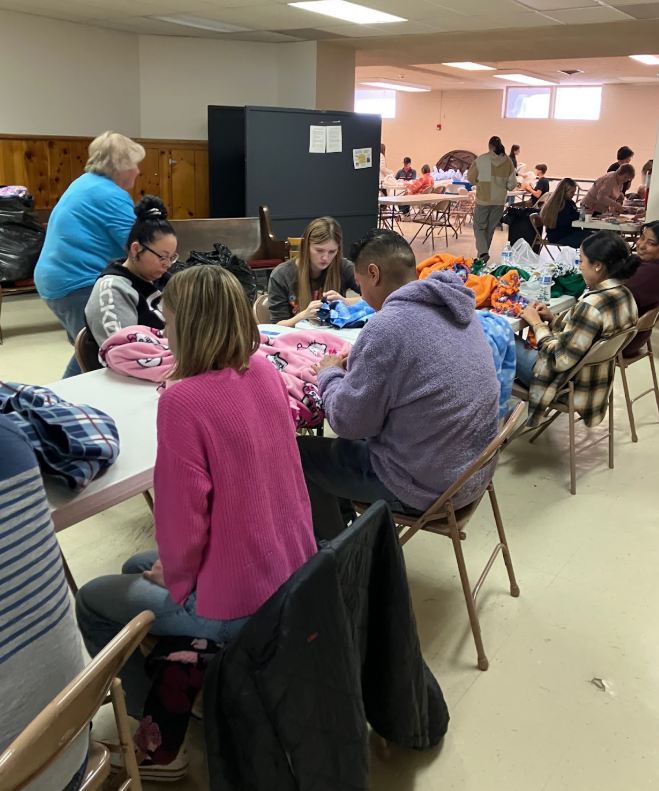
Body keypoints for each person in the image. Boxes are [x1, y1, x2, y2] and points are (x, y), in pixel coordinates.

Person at [76, 265, 317, 778]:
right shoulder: (265, 370)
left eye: (169, 319)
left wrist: (179, 573)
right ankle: (191, 682)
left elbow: (183, 520)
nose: (164, 330)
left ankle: (154, 738)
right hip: (291, 571)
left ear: (188, 325)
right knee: (136, 564)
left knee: (95, 598)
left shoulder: (183, 399)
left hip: (240, 598)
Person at [296, 229, 500, 541]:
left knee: (297, 454)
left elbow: (348, 424)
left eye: (361, 286)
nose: (362, 296)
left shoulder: (387, 327)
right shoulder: (456, 307)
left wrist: (329, 374)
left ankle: (338, 558)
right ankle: (353, 532)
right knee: (342, 449)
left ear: (373, 274)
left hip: (425, 486)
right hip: (470, 474)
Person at [0, 413, 88, 791]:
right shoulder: (11, 442)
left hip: (24, 774)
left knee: (97, 602)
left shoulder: (181, 404)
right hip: (69, 743)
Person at [34, 132, 145, 378]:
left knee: (91, 347)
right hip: (78, 281)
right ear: (120, 166)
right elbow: (139, 247)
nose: (138, 171)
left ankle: (62, 403)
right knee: (98, 350)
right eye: (134, 165)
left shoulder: (85, 182)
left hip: (58, 277)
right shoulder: (111, 195)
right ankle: (62, 406)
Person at [515, 231, 639, 427]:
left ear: (598, 265)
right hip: (594, 385)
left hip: (562, 382)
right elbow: (584, 336)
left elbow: (558, 360)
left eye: (581, 261)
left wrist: (537, 324)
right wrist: (553, 320)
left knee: (499, 337)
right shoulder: (626, 296)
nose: (579, 267)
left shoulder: (591, 305)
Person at [84, 196, 176, 348]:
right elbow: (123, 350)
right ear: (136, 249)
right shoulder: (112, 289)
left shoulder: (166, 281)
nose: (168, 264)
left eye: (172, 257)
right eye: (163, 257)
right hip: (134, 368)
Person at [268, 217, 360, 327]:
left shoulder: (344, 267)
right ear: (306, 246)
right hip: (297, 340)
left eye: (332, 251)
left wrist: (345, 301)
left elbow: (379, 298)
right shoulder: (281, 275)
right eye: (319, 250)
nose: (326, 258)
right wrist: (302, 316)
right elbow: (277, 325)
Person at [468, 136, 518, 262]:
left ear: (489, 146)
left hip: (483, 199)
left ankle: (483, 252)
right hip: (499, 201)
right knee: (490, 228)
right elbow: (512, 185)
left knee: (479, 227)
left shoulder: (481, 160)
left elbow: (471, 179)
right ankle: (483, 255)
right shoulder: (508, 161)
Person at [622, 221, 659, 357]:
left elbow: (613, 301)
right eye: (642, 237)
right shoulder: (647, 266)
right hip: (635, 338)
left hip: (618, 342)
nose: (641, 245)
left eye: (651, 243)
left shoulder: (649, 274)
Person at [540, 178, 592, 248]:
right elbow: (565, 221)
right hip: (560, 236)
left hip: (565, 233)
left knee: (593, 237)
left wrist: (580, 215)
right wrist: (580, 215)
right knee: (592, 240)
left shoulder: (568, 203)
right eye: (571, 192)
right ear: (563, 192)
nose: (573, 195)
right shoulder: (560, 205)